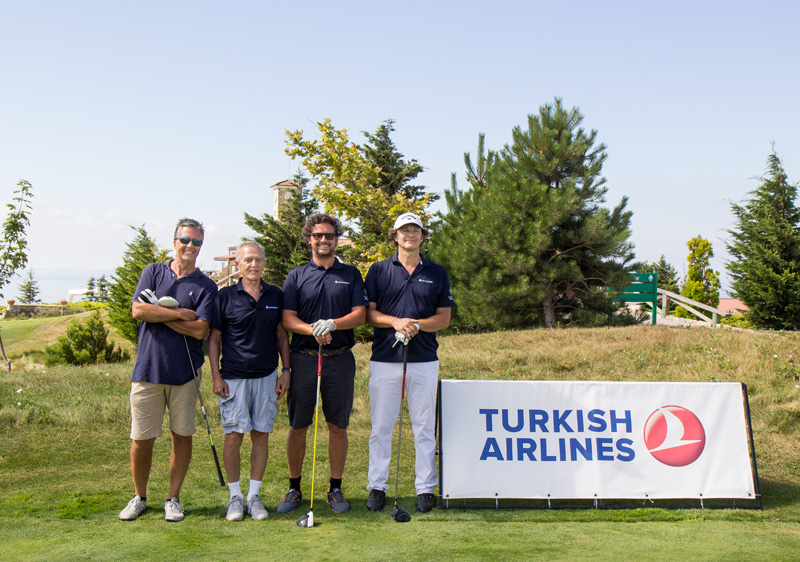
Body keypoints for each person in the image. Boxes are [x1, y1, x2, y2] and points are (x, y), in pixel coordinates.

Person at [118, 218, 218, 522]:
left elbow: (200, 330)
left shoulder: (206, 286)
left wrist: (160, 316)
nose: (190, 246)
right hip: (147, 370)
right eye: (185, 240)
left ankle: (173, 499)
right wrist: (180, 314)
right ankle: (139, 496)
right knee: (141, 438)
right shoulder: (153, 271)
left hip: (185, 375)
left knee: (182, 436)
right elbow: (138, 310)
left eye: (196, 242)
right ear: (175, 242)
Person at [276, 213, 367, 514]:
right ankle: (294, 488)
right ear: (309, 239)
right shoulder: (296, 275)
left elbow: (360, 314)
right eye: (318, 236)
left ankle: (335, 488)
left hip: (339, 360)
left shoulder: (351, 274)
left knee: (337, 426)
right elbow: (287, 319)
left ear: (336, 239)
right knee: (298, 425)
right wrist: (313, 329)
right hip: (304, 359)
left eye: (329, 235)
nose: (324, 240)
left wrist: (333, 324)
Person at [364, 212, 453, 514]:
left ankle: (425, 488)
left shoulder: (437, 273)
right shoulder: (378, 270)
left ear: (422, 236)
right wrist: (396, 322)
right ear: (395, 235)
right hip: (385, 359)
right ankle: (377, 486)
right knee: (381, 426)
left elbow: (443, 318)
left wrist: (416, 325)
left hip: (424, 359)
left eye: (416, 230)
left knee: (424, 427)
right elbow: (369, 314)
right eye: (405, 230)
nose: (410, 235)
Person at [209, 241, 291, 521]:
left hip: (267, 376)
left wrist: (286, 370)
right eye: (248, 260)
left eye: (258, 259)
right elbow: (214, 339)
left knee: (261, 435)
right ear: (239, 264)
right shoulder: (224, 296)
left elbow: (281, 335)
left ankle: (254, 497)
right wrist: (216, 376)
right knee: (234, 437)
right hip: (233, 378)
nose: (253, 264)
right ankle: (235, 498)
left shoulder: (275, 295)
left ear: (264, 263)